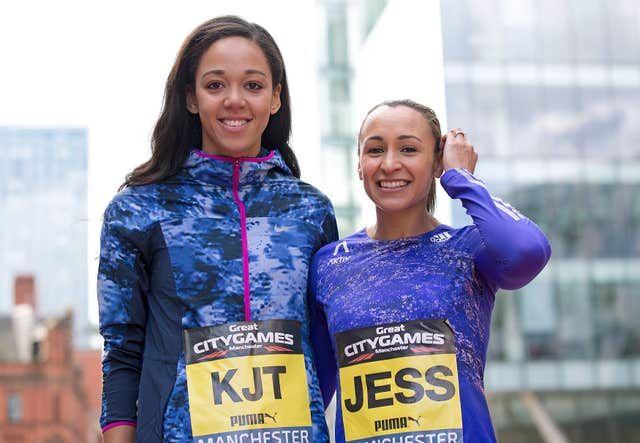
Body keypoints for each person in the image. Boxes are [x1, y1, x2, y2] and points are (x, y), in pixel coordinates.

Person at [98, 16, 337, 443]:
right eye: (214, 85)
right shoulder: (137, 209)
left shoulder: (312, 211)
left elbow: (325, 346)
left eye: (252, 85)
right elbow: (122, 349)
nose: (234, 100)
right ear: (191, 98)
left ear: (275, 98)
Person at [309, 99, 551, 443]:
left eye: (408, 149)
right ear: (360, 165)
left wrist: (461, 178)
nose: (390, 164)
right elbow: (313, 393)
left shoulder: (467, 250)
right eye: (375, 150)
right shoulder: (329, 263)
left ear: (436, 161)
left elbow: (527, 251)